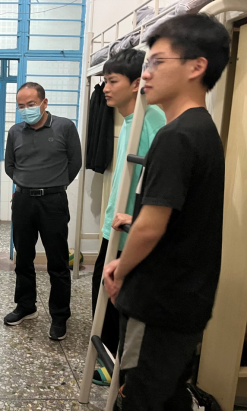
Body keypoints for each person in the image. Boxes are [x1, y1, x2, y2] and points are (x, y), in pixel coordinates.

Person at [102, 14, 230, 409]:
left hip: (159, 301)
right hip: (186, 298)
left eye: (158, 62)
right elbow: (180, 215)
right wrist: (135, 219)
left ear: (196, 66)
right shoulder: (202, 129)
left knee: (140, 397)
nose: (147, 73)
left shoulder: (175, 136)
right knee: (168, 394)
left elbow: (151, 229)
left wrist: (119, 270)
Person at [91, 49, 166, 386]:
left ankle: (117, 373)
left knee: (117, 301)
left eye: (112, 81)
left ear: (136, 84)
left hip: (130, 230)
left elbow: (156, 185)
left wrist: (133, 221)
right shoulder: (130, 121)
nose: (105, 88)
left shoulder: (152, 121)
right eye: (104, 81)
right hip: (117, 226)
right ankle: (108, 365)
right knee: (103, 296)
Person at [4, 82, 81, 340]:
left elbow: (75, 162)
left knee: (57, 262)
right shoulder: (15, 132)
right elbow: (10, 166)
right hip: (23, 201)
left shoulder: (65, 127)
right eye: (21, 106)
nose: (26, 109)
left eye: (31, 104)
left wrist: (54, 183)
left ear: (44, 103)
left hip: (53, 202)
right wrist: (27, 182)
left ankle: (59, 316)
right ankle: (26, 306)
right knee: (23, 258)